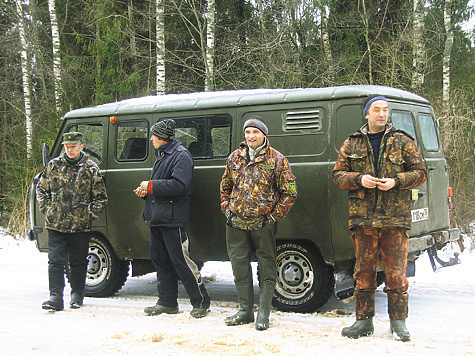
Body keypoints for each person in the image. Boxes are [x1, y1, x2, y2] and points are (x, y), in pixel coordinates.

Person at [332, 95, 427, 342]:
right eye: (377, 110)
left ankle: (398, 323)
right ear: (367, 114)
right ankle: (363, 322)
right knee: (363, 272)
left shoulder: (402, 141)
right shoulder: (352, 143)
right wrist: (358, 179)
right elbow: (337, 175)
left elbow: (420, 173)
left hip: (394, 218)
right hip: (363, 220)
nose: (382, 114)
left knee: (396, 273)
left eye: (385, 110)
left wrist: (397, 182)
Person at [220, 116, 297, 330]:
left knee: (267, 268)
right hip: (236, 223)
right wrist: (227, 209)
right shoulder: (235, 157)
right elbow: (225, 185)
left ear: (264, 134)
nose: (251, 136)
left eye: (255, 132)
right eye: (248, 132)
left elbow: (290, 193)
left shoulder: (277, 159)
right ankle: (245, 311)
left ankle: (263, 313)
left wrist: (272, 217)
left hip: (263, 224)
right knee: (239, 267)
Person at [135, 119, 211, 319]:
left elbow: (180, 185)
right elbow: (163, 186)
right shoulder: (163, 155)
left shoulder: (181, 156)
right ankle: (167, 303)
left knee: (182, 261)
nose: (151, 139)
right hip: (158, 218)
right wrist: (145, 192)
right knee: (160, 260)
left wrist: (150, 185)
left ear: (162, 137)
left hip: (172, 220)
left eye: (153, 135)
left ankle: (201, 302)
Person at [37, 132, 108, 311]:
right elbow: (41, 189)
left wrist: (89, 215)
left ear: (81, 147)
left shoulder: (91, 168)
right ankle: (55, 297)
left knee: (78, 261)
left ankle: (77, 294)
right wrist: (47, 209)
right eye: (67, 147)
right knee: (55, 261)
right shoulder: (53, 166)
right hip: (56, 224)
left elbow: (101, 197)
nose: (70, 150)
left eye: (73, 146)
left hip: (80, 225)